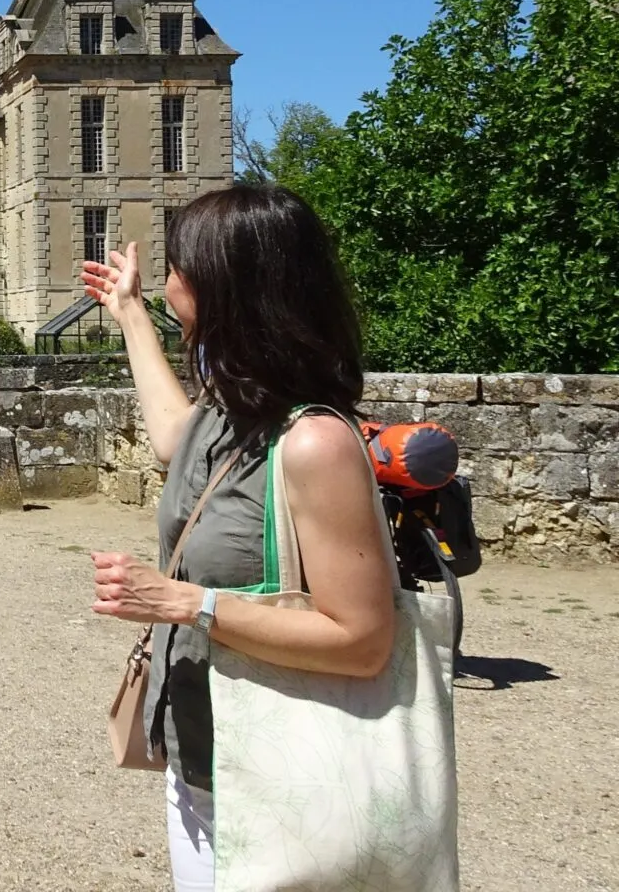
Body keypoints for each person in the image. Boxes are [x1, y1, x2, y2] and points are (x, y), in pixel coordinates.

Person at [81, 185, 396, 892]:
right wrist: (129, 313)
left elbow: (365, 639)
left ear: (230, 287)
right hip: (206, 757)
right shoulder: (233, 413)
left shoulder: (314, 443)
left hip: (281, 770)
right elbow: (172, 436)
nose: (168, 281)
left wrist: (186, 602)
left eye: (177, 269)